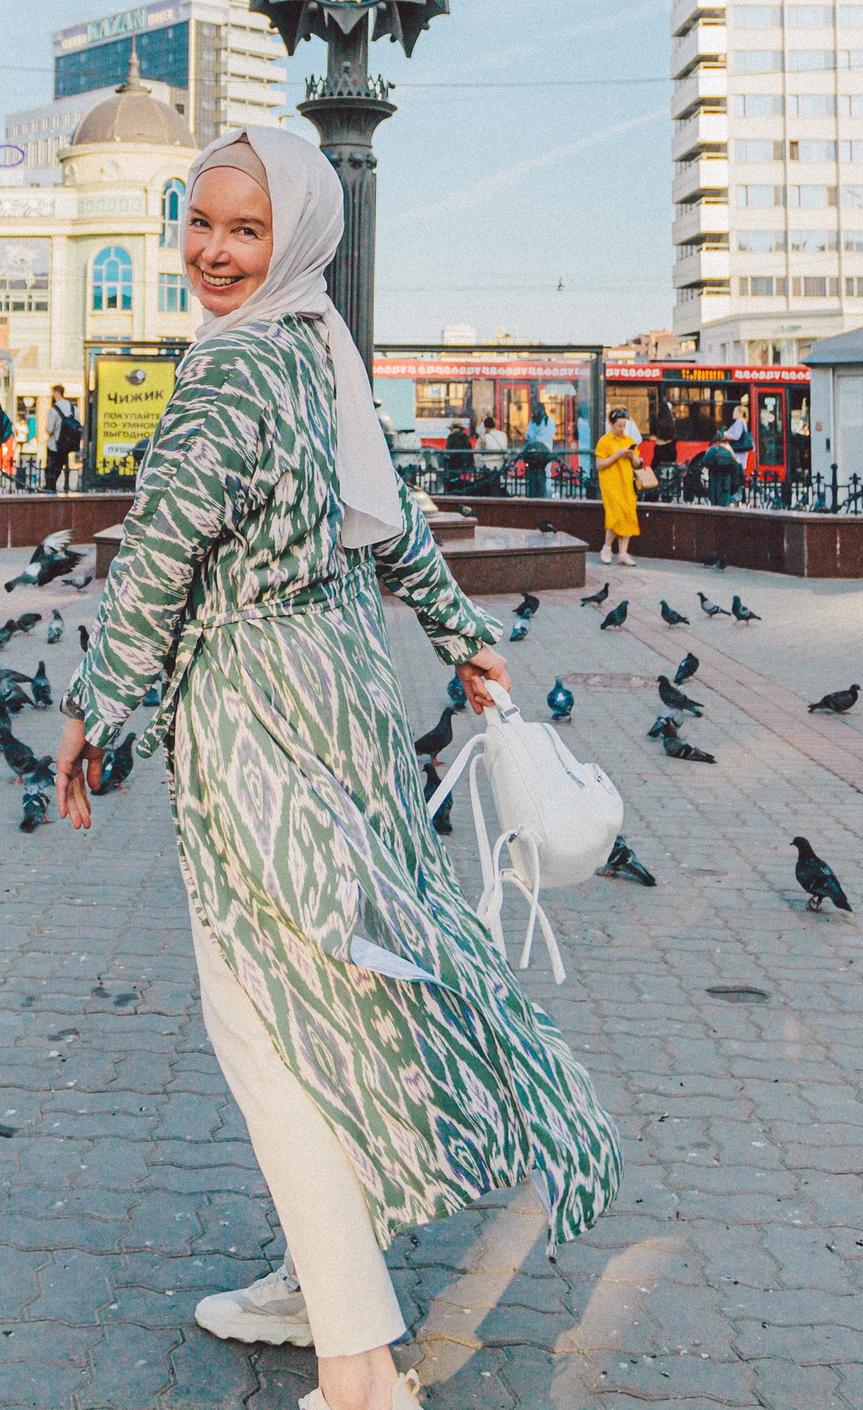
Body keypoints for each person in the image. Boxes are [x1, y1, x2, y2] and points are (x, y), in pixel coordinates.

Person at [58, 127, 616, 1410]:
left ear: (295, 236)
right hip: (345, 699)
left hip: (260, 717)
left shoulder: (233, 370)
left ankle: (362, 1369)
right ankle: (326, 1278)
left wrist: (96, 708)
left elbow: (159, 558)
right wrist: (463, 633)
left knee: (265, 1017)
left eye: (243, 230)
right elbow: (394, 520)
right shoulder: (315, 347)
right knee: (338, 989)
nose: (211, 250)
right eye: (199, 222)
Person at [595, 404, 647, 565]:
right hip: (611, 484)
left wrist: (632, 457)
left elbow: (638, 464)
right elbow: (599, 464)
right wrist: (617, 455)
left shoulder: (628, 440)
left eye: (624, 425)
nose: (622, 429)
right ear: (611, 424)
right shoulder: (604, 441)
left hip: (627, 483)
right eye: (619, 426)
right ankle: (607, 548)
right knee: (616, 516)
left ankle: (623, 553)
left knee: (628, 514)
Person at [43, 383, 84, 493]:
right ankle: (64, 486)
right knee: (62, 467)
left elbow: (49, 429)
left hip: (55, 444)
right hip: (69, 444)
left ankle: (50, 487)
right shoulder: (74, 408)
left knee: (52, 468)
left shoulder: (54, 409)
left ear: (56, 393)